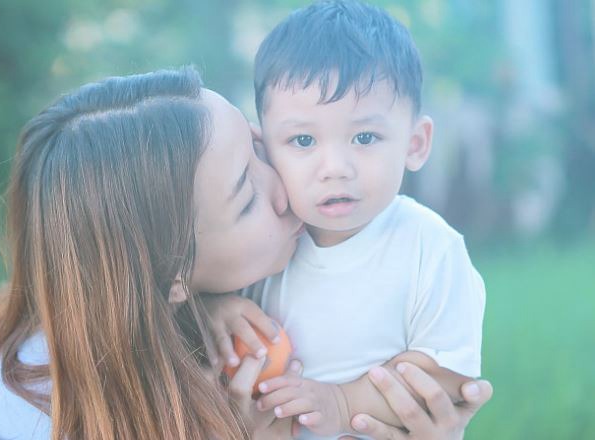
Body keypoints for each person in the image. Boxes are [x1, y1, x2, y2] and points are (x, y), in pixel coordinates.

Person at [0, 66, 490, 440]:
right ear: (172, 276)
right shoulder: (5, 422)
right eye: (246, 198)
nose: (290, 187)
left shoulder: (198, 314)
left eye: (263, 148)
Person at [206, 1, 486, 438]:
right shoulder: (266, 245)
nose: (335, 166)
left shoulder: (427, 245)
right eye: (302, 139)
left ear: (414, 144)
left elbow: (449, 377)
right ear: (263, 147)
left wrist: (341, 401)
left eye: (364, 137)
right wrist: (216, 309)